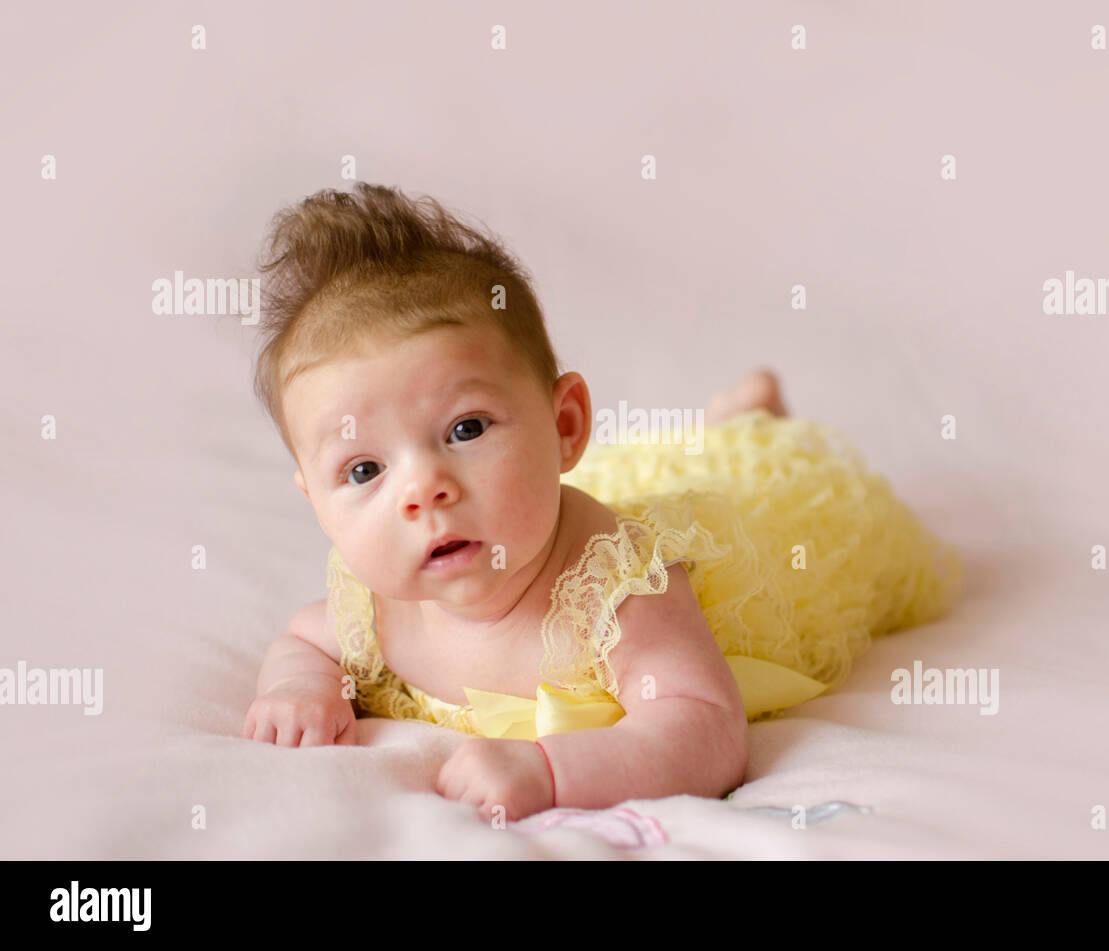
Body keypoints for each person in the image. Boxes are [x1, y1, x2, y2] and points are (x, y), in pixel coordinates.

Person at [241, 183, 963, 823]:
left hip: (769, 535)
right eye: (364, 468)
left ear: (564, 426)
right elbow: (305, 641)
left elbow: (705, 727)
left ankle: (749, 422)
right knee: (650, 463)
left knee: (761, 483)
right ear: (315, 499)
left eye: (466, 429)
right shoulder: (374, 610)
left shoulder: (619, 589)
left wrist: (552, 771)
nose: (422, 488)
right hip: (573, 491)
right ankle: (726, 417)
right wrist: (299, 685)